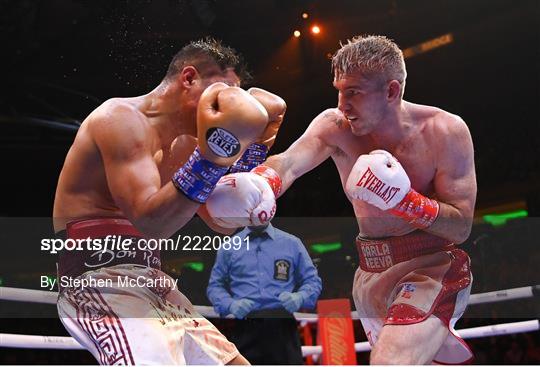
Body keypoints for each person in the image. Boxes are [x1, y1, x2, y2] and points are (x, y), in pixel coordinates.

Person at [205, 35, 477, 364]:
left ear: (391, 91)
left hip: (431, 268)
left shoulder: (444, 131)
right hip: (369, 276)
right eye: (338, 90)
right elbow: (289, 163)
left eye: (354, 92)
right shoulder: (335, 126)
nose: (342, 104)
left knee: (389, 361)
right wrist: (261, 182)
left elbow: (461, 227)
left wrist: (406, 201)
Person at [52, 37, 287, 365]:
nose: (228, 108)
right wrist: (213, 158)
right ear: (189, 79)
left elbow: (218, 222)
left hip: (154, 282)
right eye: (222, 94)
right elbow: (151, 222)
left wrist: (250, 155)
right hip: (100, 280)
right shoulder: (119, 119)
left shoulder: (187, 146)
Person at [207, 223, 322, 364]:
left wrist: (300, 297)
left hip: (282, 325)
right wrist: (230, 304)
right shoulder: (229, 247)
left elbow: (313, 281)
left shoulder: (291, 243)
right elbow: (215, 286)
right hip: (245, 325)